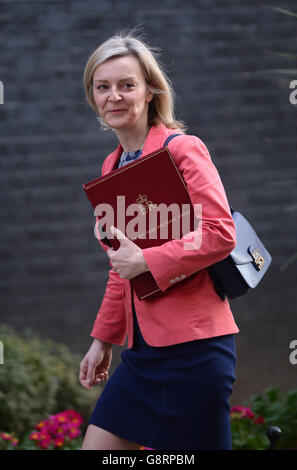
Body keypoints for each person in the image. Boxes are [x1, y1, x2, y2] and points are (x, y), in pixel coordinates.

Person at [79, 32, 239, 451]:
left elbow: (220, 233)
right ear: (93, 96)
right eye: (103, 87)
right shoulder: (110, 166)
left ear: (150, 90)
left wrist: (149, 259)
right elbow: (122, 266)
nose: (114, 96)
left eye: (126, 85)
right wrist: (103, 340)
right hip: (142, 354)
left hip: (196, 350)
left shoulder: (183, 149)